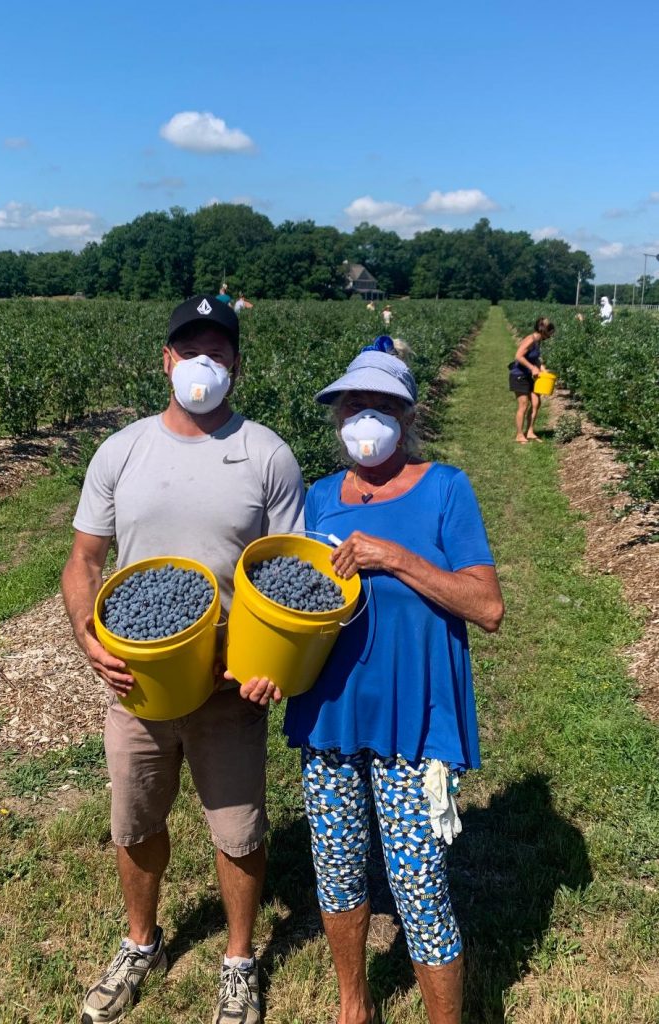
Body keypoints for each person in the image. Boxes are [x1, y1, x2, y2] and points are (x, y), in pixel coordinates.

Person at [240, 337, 504, 1024]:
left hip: (413, 721)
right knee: (337, 875)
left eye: (382, 404)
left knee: (420, 889)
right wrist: (266, 663)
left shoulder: (446, 489)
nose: (366, 417)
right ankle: (353, 1006)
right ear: (336, 416)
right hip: (330, 715)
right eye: (353, 403)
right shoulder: (318, 499)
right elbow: (291, 598)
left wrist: (396, 558)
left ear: (408, 416)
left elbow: (487, 607)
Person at [62, 294, 305, 1024]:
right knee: (135, 822)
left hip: (227, 683)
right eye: (189, 349)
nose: (204, 363)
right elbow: (83, 561)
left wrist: (272, 663)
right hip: (137, 682)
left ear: (237, 364)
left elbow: (287, 576)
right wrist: (86, 634)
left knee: (239, 832)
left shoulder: (266, 454)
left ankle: (237, 958)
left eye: (219, 350)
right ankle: (142, 943)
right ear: (165, 360)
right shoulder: (123, 449)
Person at [508, 316, 555, 444]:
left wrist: (543, 369)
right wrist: (532, 368)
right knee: (523, 404)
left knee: (536, 403)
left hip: (530, 376)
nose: (552, 335)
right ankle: (519, 435)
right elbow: (518, 356)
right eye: (551, 332)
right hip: (519, 375)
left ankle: (530, 431)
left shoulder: (538, 341)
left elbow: (534, 358)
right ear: (545, 331)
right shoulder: (530, 339)